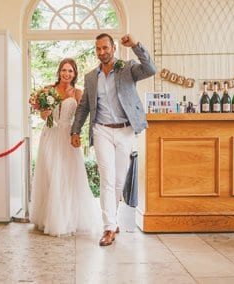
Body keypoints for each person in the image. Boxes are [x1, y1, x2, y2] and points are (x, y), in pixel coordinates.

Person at [70, 33, 156, 246]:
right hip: (102, 130)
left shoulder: (127, 68)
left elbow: (151, 69)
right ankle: (109, 227)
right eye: (98, 49)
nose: (102, 52)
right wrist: (75, 130)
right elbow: (84, 107)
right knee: (107, 179)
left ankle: (113, 219)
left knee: (118, 180)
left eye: (105, 48)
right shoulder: (91, 77)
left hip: (125, 130)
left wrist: (136, 45)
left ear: (114, 47)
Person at [30, 58, 102, 237]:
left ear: (74, 74)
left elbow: (81, 117)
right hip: (50, 135)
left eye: (70, 71)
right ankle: (48, 218)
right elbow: (42, 115)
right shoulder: (48, 90)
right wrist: (44, 112)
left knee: (67, 176)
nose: (66, 74)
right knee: (50, 174)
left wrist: (77, 135)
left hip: (68, 137)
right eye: (64, 70)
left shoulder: (77, 93)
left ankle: (67, 218)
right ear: (59, 72)